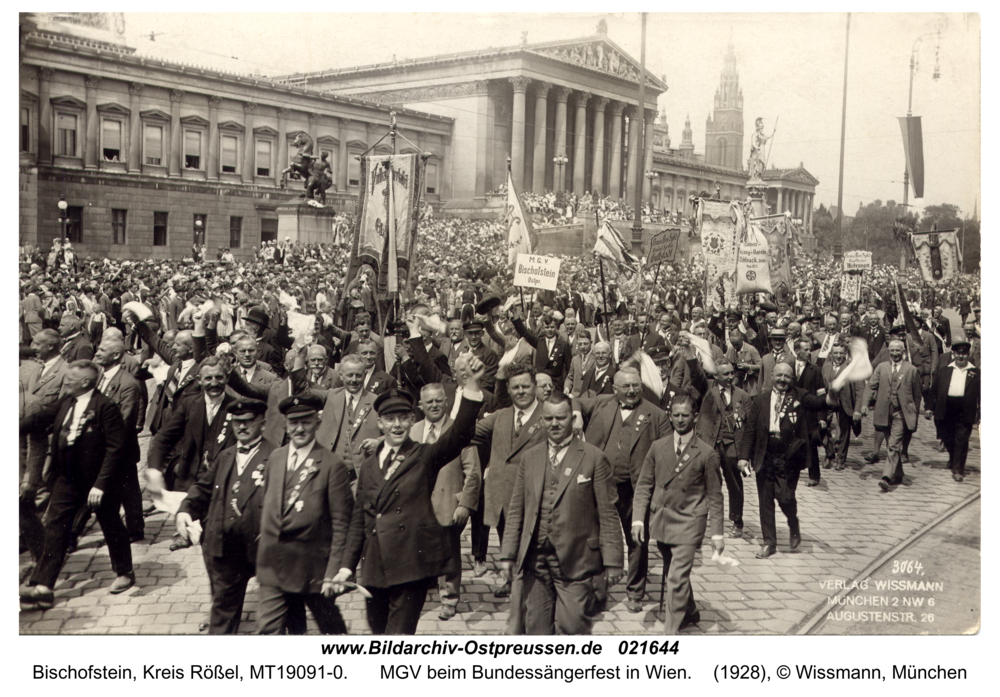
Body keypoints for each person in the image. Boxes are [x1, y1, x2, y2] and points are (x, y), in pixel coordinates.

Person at [335, 357, 486, 635]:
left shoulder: (423, 455)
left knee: (399, 639)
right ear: (379, 423)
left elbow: (460, 434)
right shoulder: (368, 466)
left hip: (409, 566)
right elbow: (359, 520)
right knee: (378, 634)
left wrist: (473, 386)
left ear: (411, 420)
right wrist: (346, 567)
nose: (396, 425)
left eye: (403, 418)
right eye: (389, 419)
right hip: (374, 568)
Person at [500, 391, 623, 635]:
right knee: (536, 629)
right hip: (536, 559)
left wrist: (613, 561)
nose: (554, 424)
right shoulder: (530, 458)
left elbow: (608, 513)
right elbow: (516, 510)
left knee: (572, 626)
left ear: (572, 419)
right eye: (548, 419)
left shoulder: (593, 458)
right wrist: (507, 554)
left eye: (561, 418)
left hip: (576, 559)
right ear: (542, 421)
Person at [19, 361, 134, 610]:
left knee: (111, 524)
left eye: (71, 378)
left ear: (85, 382)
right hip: (68, 479)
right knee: (55, 526)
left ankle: (124, 572)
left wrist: (101, 485)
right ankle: (44, 585)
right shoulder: (67, 402)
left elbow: (115, 449)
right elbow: (41, 418)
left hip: (99, 481)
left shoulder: (106, 407)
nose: (66, 380)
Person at [176, 398, 276, 634]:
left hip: (262, 545)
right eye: (237, 422)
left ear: (262, 423)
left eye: (249, 422)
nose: (242, 427)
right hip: (227, 548)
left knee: (278, 613)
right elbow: (203, 487)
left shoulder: (276, 455)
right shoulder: (226, 456)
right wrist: (184, 509)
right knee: (223, 611)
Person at [255, 393, 353, 634]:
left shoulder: (332, 465)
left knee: (333, 631)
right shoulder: (275, 458)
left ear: (317, 423)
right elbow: (270, 507)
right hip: (275, 566)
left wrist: (333, 573)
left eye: (306, 422)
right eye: (293, 423)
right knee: (268, 631)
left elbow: (342, 525)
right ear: (286, 426)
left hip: (313, 570)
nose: (299, 429)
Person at [574, 367, 669, 613]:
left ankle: (636, 592)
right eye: (625, 386)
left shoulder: (656, 415)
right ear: (614, 389)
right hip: (599, 485)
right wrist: (575, 412)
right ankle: (595, 591)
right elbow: (573, 398)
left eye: (635, 385)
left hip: (634, 489)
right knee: (594, 537)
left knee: (637, 539)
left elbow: (668, 457)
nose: (631, 391)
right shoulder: (602, 404)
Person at [632, 393, 724, 633]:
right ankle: (691, 610)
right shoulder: (657, 447)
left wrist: (717, 534)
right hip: (662, 521)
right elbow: (644, 485)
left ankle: (670, 632)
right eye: (676, 415)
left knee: (675, 577)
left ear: (695, 417)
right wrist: (638, 520)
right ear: (669, 416)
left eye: (685, 415)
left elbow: (715, 496)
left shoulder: (706, 453)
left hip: (689, 523)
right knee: (672, 568)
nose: (680, 420)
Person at [737, 362, 837, 559]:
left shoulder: (799, 395)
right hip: (765, 455)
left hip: (789, 456)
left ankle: (793, 522)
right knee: (765, 500)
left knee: (785, 497)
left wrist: (829, 398)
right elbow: (750, 431)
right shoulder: (760, 400)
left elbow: (817, 403)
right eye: (779, 375)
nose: (782, 380)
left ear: (792, 379)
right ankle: (769, 543)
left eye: (787, 377)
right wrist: (743, 457)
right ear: (772, 376)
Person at [472, 361, 547, 598]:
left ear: (535, 387)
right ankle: (511, 579)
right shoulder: (501, 416)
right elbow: (468, 432)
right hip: (504, 493)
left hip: (537, 492)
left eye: (525, 386)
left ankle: (537, 583)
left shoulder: (548, 416)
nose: (521, 392)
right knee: (508, 536)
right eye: (515, 388)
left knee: (537, 539)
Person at [409, 383, 481, 620]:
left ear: (446, 402)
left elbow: (473, 473)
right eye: (429, 402)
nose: (434, 406)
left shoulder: (458, 430)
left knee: (448, 552)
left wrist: (464, 504)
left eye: (439, 401)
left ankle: (449, 599)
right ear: (421, 405)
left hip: (448, 501)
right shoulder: (413, 431)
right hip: (419, 504)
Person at [686, 353, 750, 539]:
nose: (730, 377)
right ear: (716, 376)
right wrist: (691, 358)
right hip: (710, 445)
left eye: (732, 373)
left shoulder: (743, 396)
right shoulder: (707, 392)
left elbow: (748, 426)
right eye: (725, 374)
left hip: (732, 447)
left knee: (735, 485)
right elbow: (697, 379)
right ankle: (698, 520)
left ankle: (737, 521)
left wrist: (746, 455)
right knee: (704, 483)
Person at [861, 339, 922, 491]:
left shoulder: (911, 369)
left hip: (901, 413)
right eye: (892, 350)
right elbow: (870, 387)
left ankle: (886, 477)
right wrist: (864, 404)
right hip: (884, 412)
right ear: (889, 351)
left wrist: (914, 414)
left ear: (903, 352)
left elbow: (917, 395)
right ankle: (899, 473)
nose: (895, 354)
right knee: (891, 445)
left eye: (898, 351)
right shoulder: (882, 367)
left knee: (893, 445)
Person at [924, 341, 979, 482]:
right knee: (947, 437)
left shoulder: (975, 373)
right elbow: (934, 390)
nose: (961, 356)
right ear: (953, 354)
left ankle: (958, 469)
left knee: (962, 439)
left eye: (964, 354)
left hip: (965, 410)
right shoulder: (944, 370)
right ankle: (953, 456)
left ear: (968, 355)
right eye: (958, 353)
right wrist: (929, 407)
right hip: (946, 408)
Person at [820, 342, 864, 471]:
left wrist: (857, 410)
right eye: (835, 353)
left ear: (845, 354)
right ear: (831, 354)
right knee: (823, 428)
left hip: (845, 403)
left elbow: (860, 390)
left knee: (843, 432)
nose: (838, 356)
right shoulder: (826, 366)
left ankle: (841, 458)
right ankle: (829, 454)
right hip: (828, 402)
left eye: (841, 353)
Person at [511, 306, 573, 393]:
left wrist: (567, 386)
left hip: (556, 386)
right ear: (543, 329)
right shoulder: (538, 342)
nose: (550, 330)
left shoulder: (563, 345)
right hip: (540, 385)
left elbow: (569, 368)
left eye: (552, 327)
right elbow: (523, 332)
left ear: (556, 327)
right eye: (547, 328)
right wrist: (514, 313)